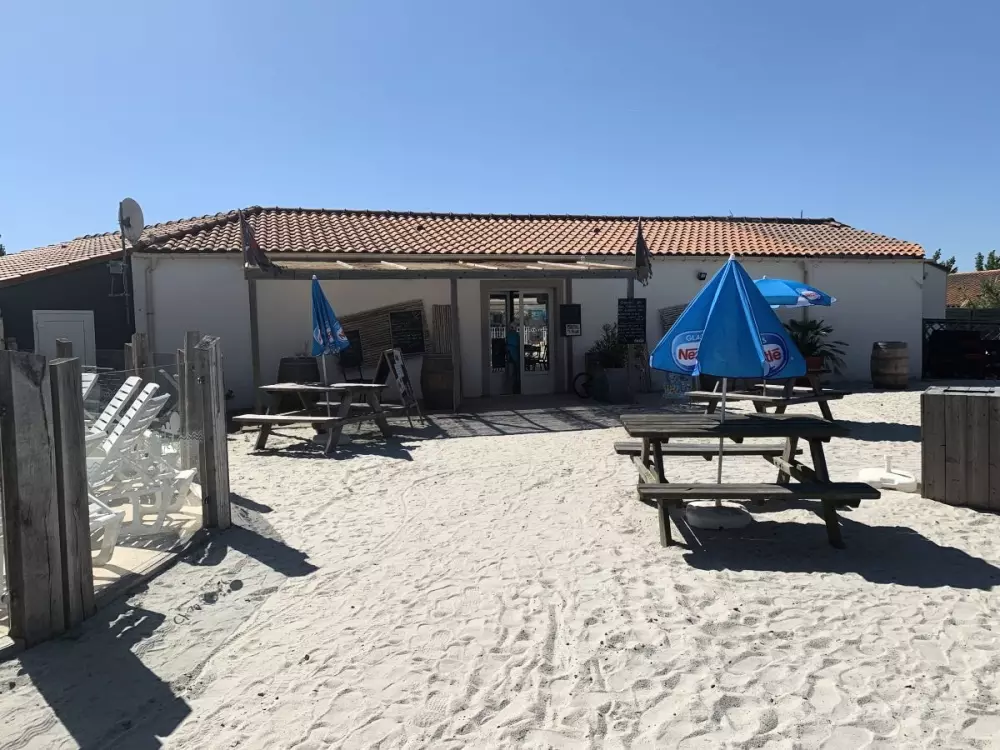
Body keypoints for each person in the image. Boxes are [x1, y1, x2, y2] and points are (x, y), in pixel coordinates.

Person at [505, 322, 521, 394]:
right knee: (516, 370)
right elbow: (518, 343)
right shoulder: (516, 334)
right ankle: (515, 385)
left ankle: (510, 387)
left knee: (511, 371)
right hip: (515, 354)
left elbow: (506, 342)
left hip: (509, 354)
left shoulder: (508, 334)